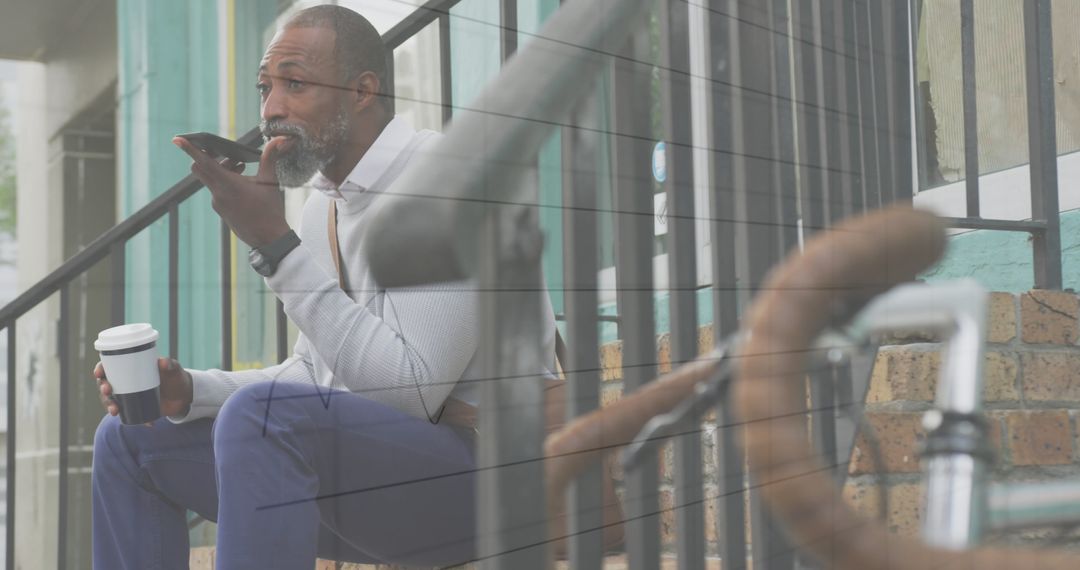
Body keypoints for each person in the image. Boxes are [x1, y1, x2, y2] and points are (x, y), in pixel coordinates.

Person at [91, 5, 556, 568]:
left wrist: (275, 248)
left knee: (264, 418)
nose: (271, 110)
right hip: (386, 488)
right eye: (265, 88)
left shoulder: (452, 182)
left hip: (500, 483)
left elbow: (413, 392)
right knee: (127, 439)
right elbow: (315, 376)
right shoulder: (324, 209)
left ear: (362, 91)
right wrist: (191, 391)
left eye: (295, 84)